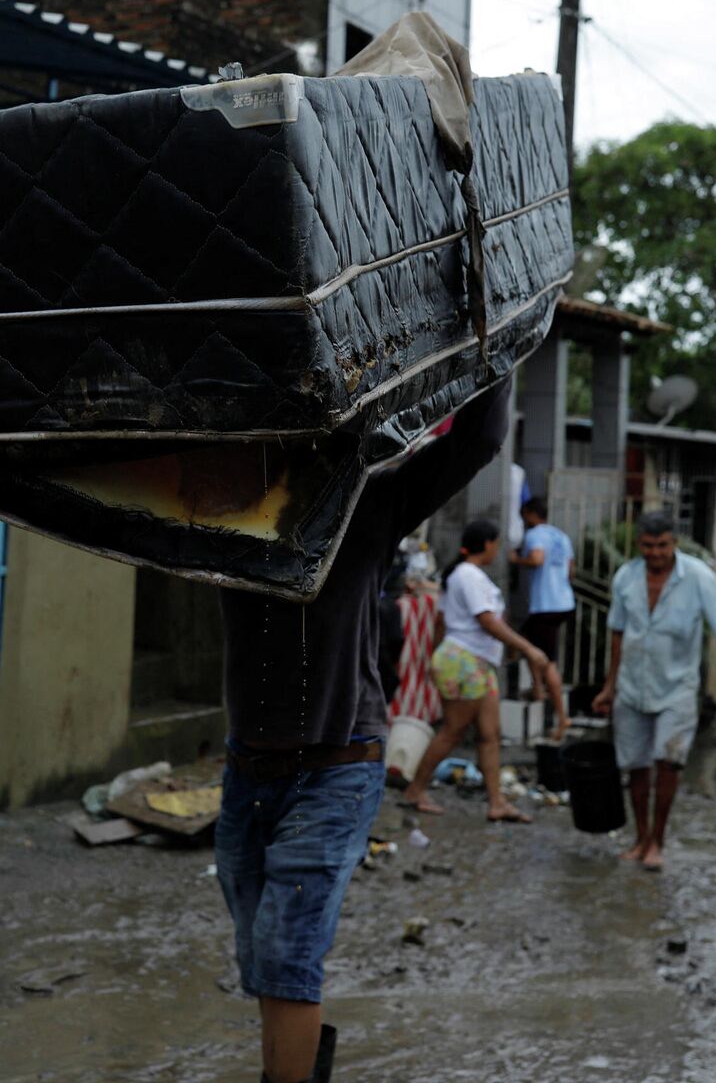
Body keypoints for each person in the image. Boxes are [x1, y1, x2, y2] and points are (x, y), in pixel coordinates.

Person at [216, 379, 513, 1083]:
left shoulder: (367, 499)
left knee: (287, 955)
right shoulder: (218, 500)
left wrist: (501, 335)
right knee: (261, 956)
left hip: (334, 766)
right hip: (247, 769)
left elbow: (477, 440)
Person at [592, 511, 716, 871]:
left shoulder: (698, 577)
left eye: (662, 545)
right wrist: (609, 686)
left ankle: (657, 841)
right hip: (631, 687)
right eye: (648, 546)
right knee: (636, 766)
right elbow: (617, 633)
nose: (655, 552)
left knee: (669, 763)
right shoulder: (626, 576)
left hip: (677, 689)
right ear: (639, 544)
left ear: (674, 543)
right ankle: (640, 838)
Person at [399, 519, 569, 821]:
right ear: (488, 544)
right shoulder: (469, 575)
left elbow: (441, 623)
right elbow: (487, 621)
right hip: (466, 660)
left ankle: (497, 802)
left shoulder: (461, 575)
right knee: (453, 731)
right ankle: (416, 790)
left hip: (472, 661)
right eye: (497, 543)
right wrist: (528, 648)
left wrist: (434, 657)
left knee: (490, 734)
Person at [509, 497, 576, 676]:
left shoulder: (535, 534)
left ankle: (551, 696)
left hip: (546, 605)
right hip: (564, 602)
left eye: (524, 516)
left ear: (531, 514)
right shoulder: (561, 536)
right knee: (527, 642)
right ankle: (537, 688)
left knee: (545, 659)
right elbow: (571, 572)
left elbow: (537, 559)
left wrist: (517, 560)